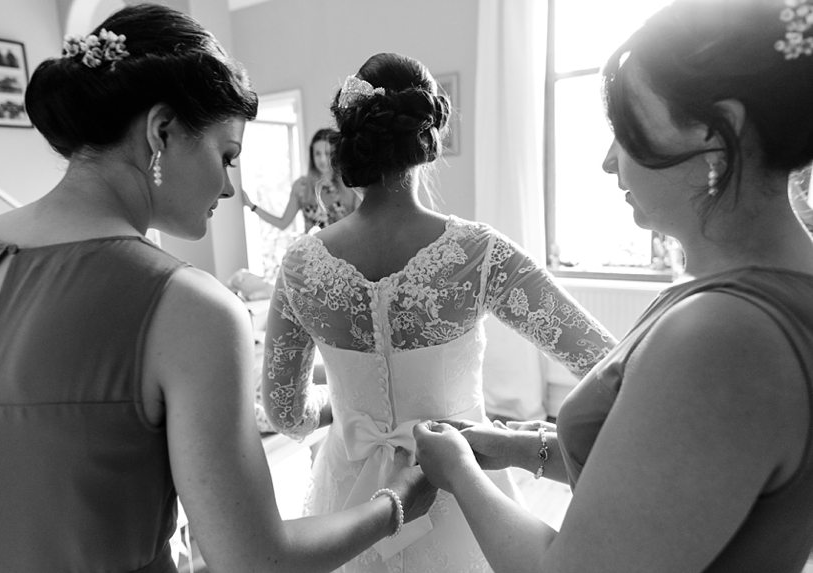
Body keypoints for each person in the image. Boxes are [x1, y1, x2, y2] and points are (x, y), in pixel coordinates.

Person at [0, 6, 437, 572]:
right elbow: (257, 560)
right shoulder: (193, 310)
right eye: (226, 156)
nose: (229, 188)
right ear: (161, 132)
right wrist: (398, 501)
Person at [413, 0, 813, 571]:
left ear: (718, 131)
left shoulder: (726, 336)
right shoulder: (752, 294)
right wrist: (516, 446)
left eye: (626, 131)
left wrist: (457, 470)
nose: (607, 162)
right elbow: (667, 478)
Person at [261, 52, 616, 573]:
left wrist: (339, 401)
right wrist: (530, 445)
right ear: (429, 140)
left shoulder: (299, 266)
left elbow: (286, 414)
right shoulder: (479, 254)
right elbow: (608, 366)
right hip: (461, 487)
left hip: (349, 504)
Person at [242, 128, 360, 232]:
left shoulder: (350, 184)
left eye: (327, 153)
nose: (322, 159)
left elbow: (358, 226)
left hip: (344, 254)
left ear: (336, 155)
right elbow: (283, 223)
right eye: (317, 154)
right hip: (313, 255)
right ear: (312, 156)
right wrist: (252, 206)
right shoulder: (302, 186)